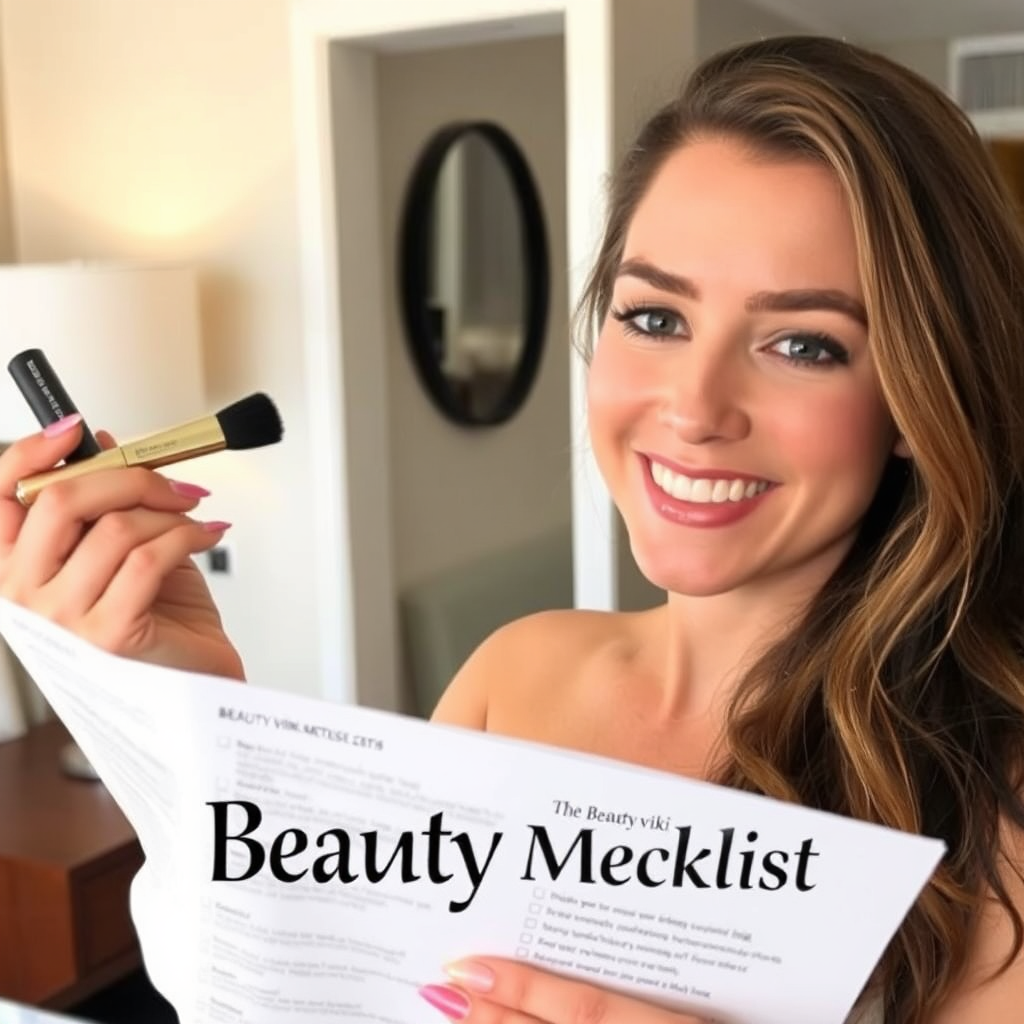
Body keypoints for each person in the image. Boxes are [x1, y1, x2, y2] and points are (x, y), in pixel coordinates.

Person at [1, 33, 1023, 1024]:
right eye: (655, 318)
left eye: (803, 342)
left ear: (916, 391)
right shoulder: (517, 673)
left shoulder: (992, 799)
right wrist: (182, 706)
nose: (695, 407)